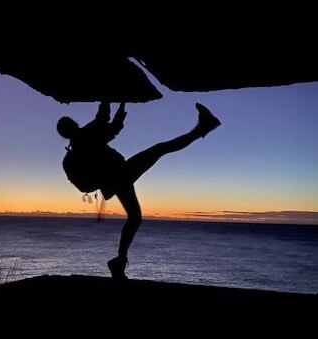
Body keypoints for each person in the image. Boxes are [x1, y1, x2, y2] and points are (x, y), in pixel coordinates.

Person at [57, 101, 221, 280]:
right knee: (161, 148)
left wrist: (120, 104)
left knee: (135, 217)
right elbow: (104, 119)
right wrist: (112, 98)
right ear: (74, 125)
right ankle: (203, 127)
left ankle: (119, 261)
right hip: (121, 174)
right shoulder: (85, 137)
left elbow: (109, 126)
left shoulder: (75, 152)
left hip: (118, 178)